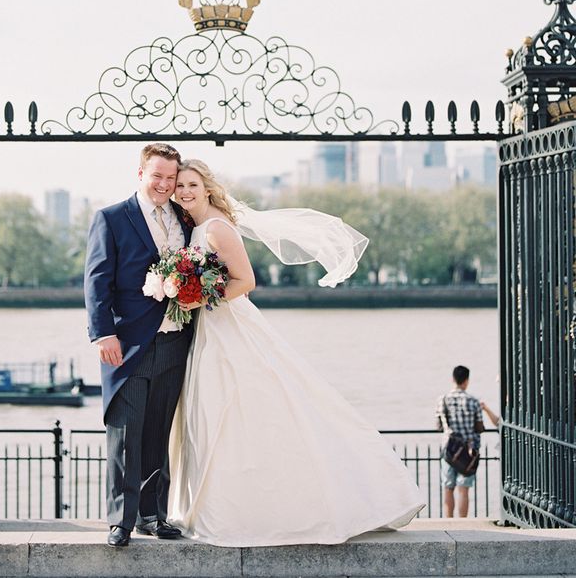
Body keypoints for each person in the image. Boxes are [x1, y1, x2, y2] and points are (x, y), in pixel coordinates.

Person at [166, 159, 424, 546]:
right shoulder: (196, 227)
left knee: (246, 406)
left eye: (191, 184)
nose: (184, 191)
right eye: (179, 186)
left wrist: (197, 297)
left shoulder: (217, 228)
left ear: (206, 187)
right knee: (215, 413)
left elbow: (247, 281)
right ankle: (223, 505)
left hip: (228, 328)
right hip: (209, 330)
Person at [84, 143, 194, 547]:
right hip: (125, 345)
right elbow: (96, 280)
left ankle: (153, 515)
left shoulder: (185, 218)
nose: (164, 184)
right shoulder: (112, 218)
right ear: (141, 174)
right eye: (157, 176)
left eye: (171, 177)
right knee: (125, 435)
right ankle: (121, 521)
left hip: (175, 341)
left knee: (157, 433)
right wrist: (102, 334)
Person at [435, 365, 497, 518]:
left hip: (449, 450)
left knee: (448, 487)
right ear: (466, 381)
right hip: (468, 451)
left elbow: (439, 425)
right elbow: (479, 427)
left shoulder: (442, 400)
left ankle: (448, 521)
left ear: (453, 379)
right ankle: (462, 522)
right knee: (464, 488)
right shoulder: (474, 401)